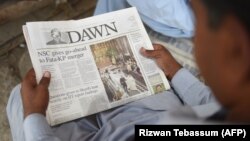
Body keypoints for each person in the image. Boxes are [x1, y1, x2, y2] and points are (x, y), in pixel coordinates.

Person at [6, 0, 250, 141]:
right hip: (152, 106)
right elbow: (212, 102)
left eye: (199, 19)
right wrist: (176, 72)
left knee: (21, 98)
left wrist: (34, 115)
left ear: (234, 48)